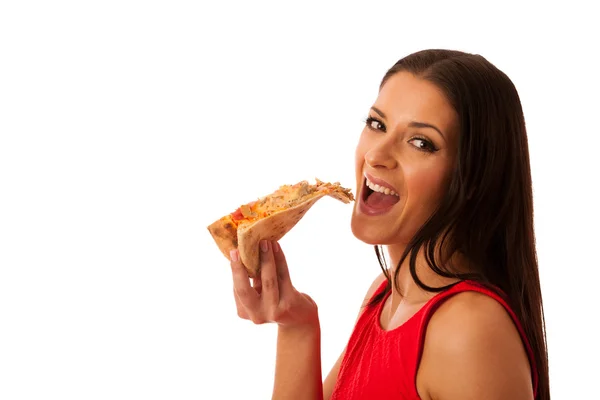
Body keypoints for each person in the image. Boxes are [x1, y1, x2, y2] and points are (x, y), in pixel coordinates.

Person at [228, 49, 550, 400]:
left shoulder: (468, 329)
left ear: (471, 180)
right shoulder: (385, 293)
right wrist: (296, 326)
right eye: (377, 124)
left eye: (420, 143)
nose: (376, 155)